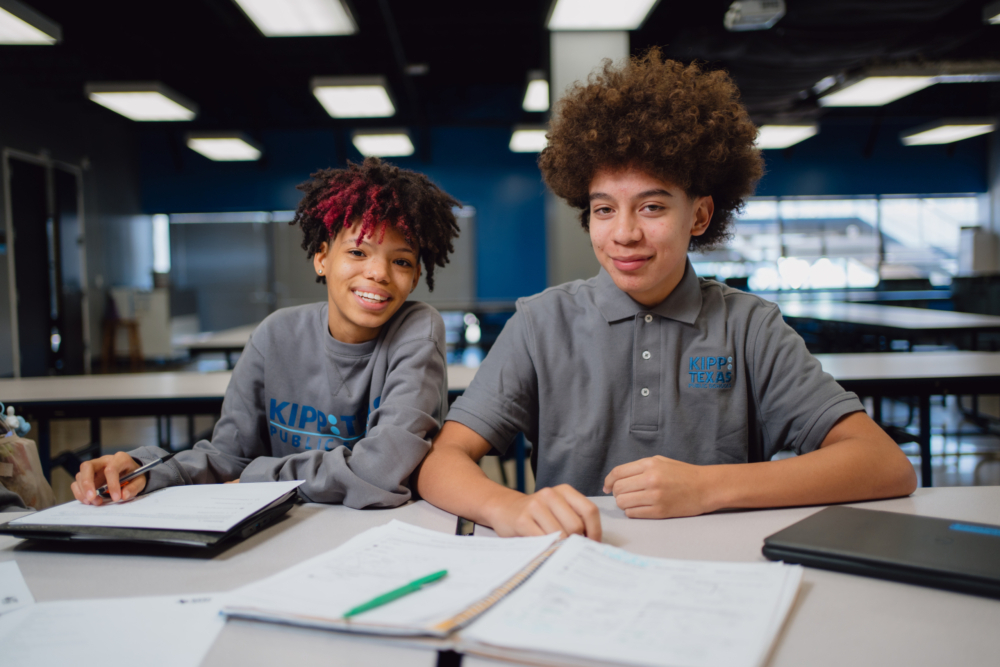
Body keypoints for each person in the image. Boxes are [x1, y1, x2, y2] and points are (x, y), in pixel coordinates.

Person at [415, 50, 917, 540]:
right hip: (575, 571)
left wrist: (705, 486)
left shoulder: (750, 326)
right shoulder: (540, 324)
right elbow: (442, 462)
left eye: (652, 207)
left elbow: (882, 464)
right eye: (605, 210)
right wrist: (508, 507)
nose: (624, 234)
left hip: (726, 573)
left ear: (698, 216)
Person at [73, 157, 461, 508]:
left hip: (379, 538)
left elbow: (380, 471)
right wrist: (148, 469)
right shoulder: (276, 335)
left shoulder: (418, 329)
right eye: (358, 252)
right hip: (282, 532)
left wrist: (263, 477)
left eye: (402, 261)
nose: (379, 273)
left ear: (413, 278)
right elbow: (228, 456)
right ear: (322, 258)